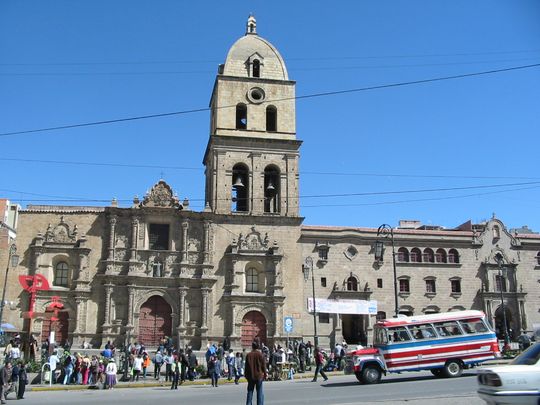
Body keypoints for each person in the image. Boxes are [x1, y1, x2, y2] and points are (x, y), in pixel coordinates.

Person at [245, 341, 266, 405]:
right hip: (259, 376)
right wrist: (265, 374)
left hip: (251, 376)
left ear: (252, 346)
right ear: (258, 346)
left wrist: (246, 376)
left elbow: (246, 367)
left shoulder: (248, 355)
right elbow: (263, 366)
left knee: (250, 392)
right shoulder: (260, 355)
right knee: (259, 392)